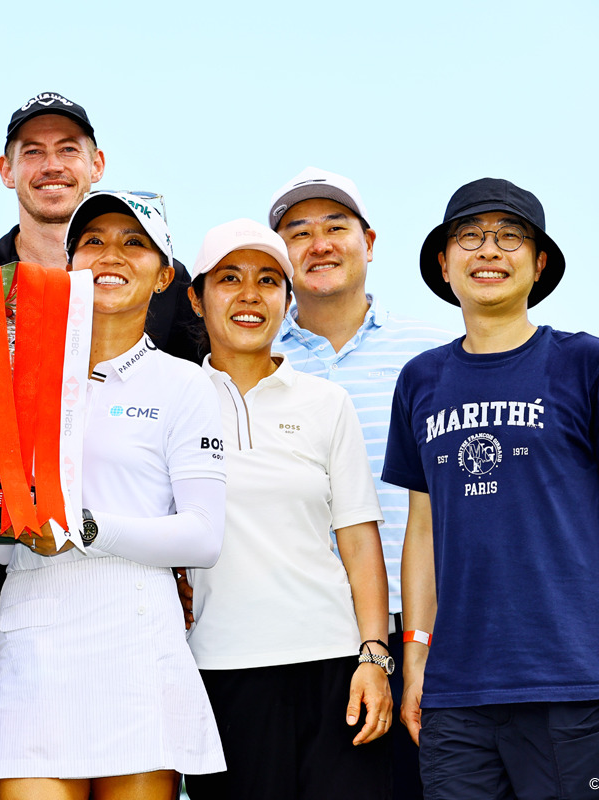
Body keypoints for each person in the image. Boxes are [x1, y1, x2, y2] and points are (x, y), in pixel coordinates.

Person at [384, 178, 599, 798]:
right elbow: (421, 531)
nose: (489, 251)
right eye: (470, 237)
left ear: (539, 265)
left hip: (580, 682)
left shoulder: (588, 362)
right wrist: (417, 654)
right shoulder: (421, 380)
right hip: (457, 695)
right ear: (443, 263)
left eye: (510, 238)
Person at [0, 191, 226, 800]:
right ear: (68, 264)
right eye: (94, 241)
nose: (111, 255)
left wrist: (84, 529)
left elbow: (203, 535)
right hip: (36, 647)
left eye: (134, 243)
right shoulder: (15, 378)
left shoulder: (187, 384)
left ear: (164, 273)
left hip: (136, 643)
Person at [180, 219, 391, 799]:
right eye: (229, 279)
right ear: (196, 298)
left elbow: (358, 542)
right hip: (218, 672)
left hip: (334, 669)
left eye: (269, 281)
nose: (250, 295)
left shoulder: (327, 402)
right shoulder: (171, 400)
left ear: (287, 301)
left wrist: (374, 657)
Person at [266, 167, 451, 799]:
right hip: (303, 635)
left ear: (368, 242)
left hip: (425, 625)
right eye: (298, 232)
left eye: (335, 227)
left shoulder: (434, 352)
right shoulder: (256, 355)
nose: (318, 243)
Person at [0, 91, 201, 365]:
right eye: (33, 152)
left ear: (96, 165)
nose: (52, 166)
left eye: (68, 149)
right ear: (7, 170)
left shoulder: (162, 280)